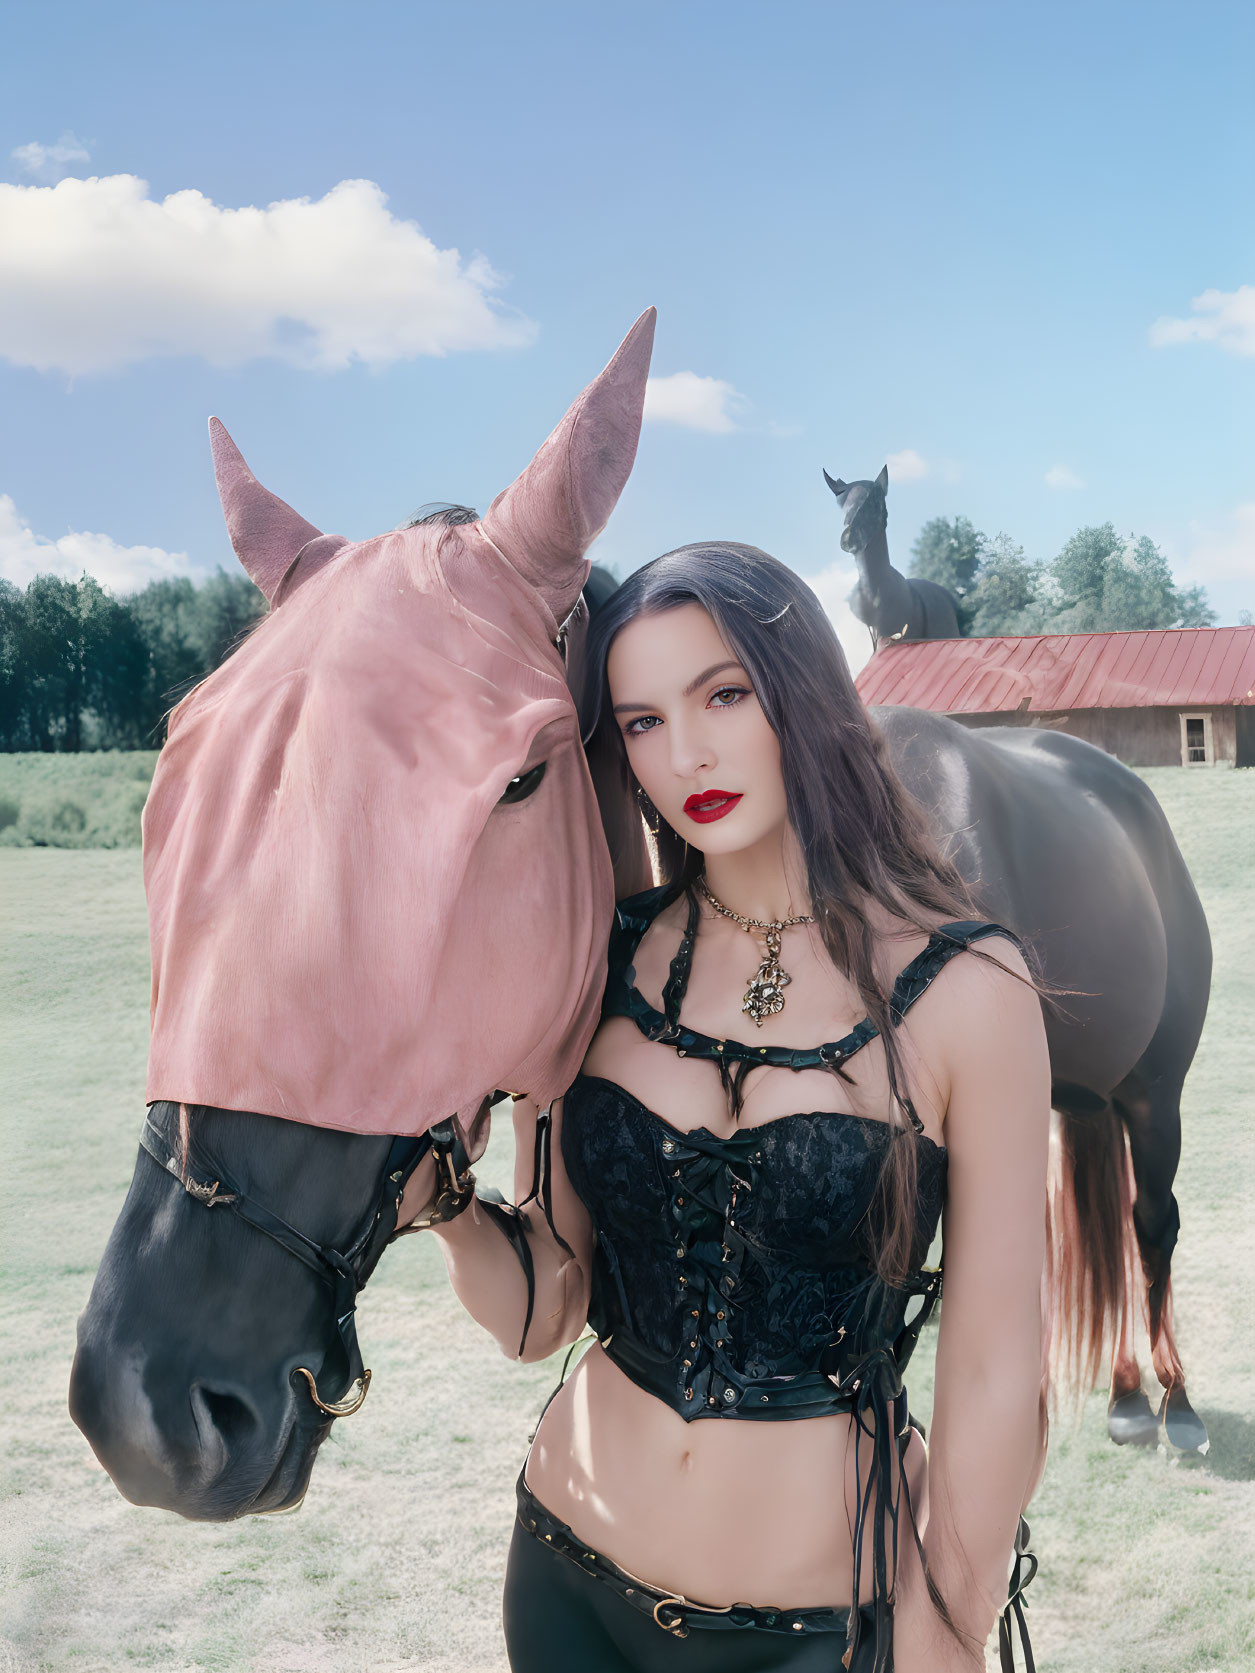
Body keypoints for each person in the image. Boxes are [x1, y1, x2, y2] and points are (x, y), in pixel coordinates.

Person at [400, 542, 1049, 1673]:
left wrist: (948, 1626)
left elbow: (997, 1368)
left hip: (820, 1628)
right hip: (566, 1574)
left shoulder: (967, 992)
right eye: (640, 720)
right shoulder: (596, 968)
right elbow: (541, 1314)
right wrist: (448, 1209)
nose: (685, 750)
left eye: (723, 694)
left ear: (800, 694)